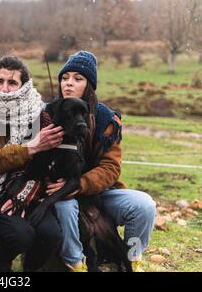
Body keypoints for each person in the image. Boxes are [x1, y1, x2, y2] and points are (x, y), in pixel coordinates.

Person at [53, 51, 157, 272]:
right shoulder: (48, 113)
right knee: (63, 205)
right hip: (58, 188)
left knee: (144, 206)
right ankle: (75, 263)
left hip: (98, 191)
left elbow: (110, 168)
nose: (69, 83)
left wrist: (80, 184)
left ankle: (132, 259)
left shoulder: (106, 119)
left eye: (77, 79)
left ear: (89, 85)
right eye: (65, 77)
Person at [0, 56, 64, 272]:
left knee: (51, 235)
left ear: (24, 86)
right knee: (21, 235)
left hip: (28, 191)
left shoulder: (40, 113)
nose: (4, 89)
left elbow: (47, 163)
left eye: (12, 82)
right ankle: (0, 265)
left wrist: (23, 194)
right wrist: (29, 148)